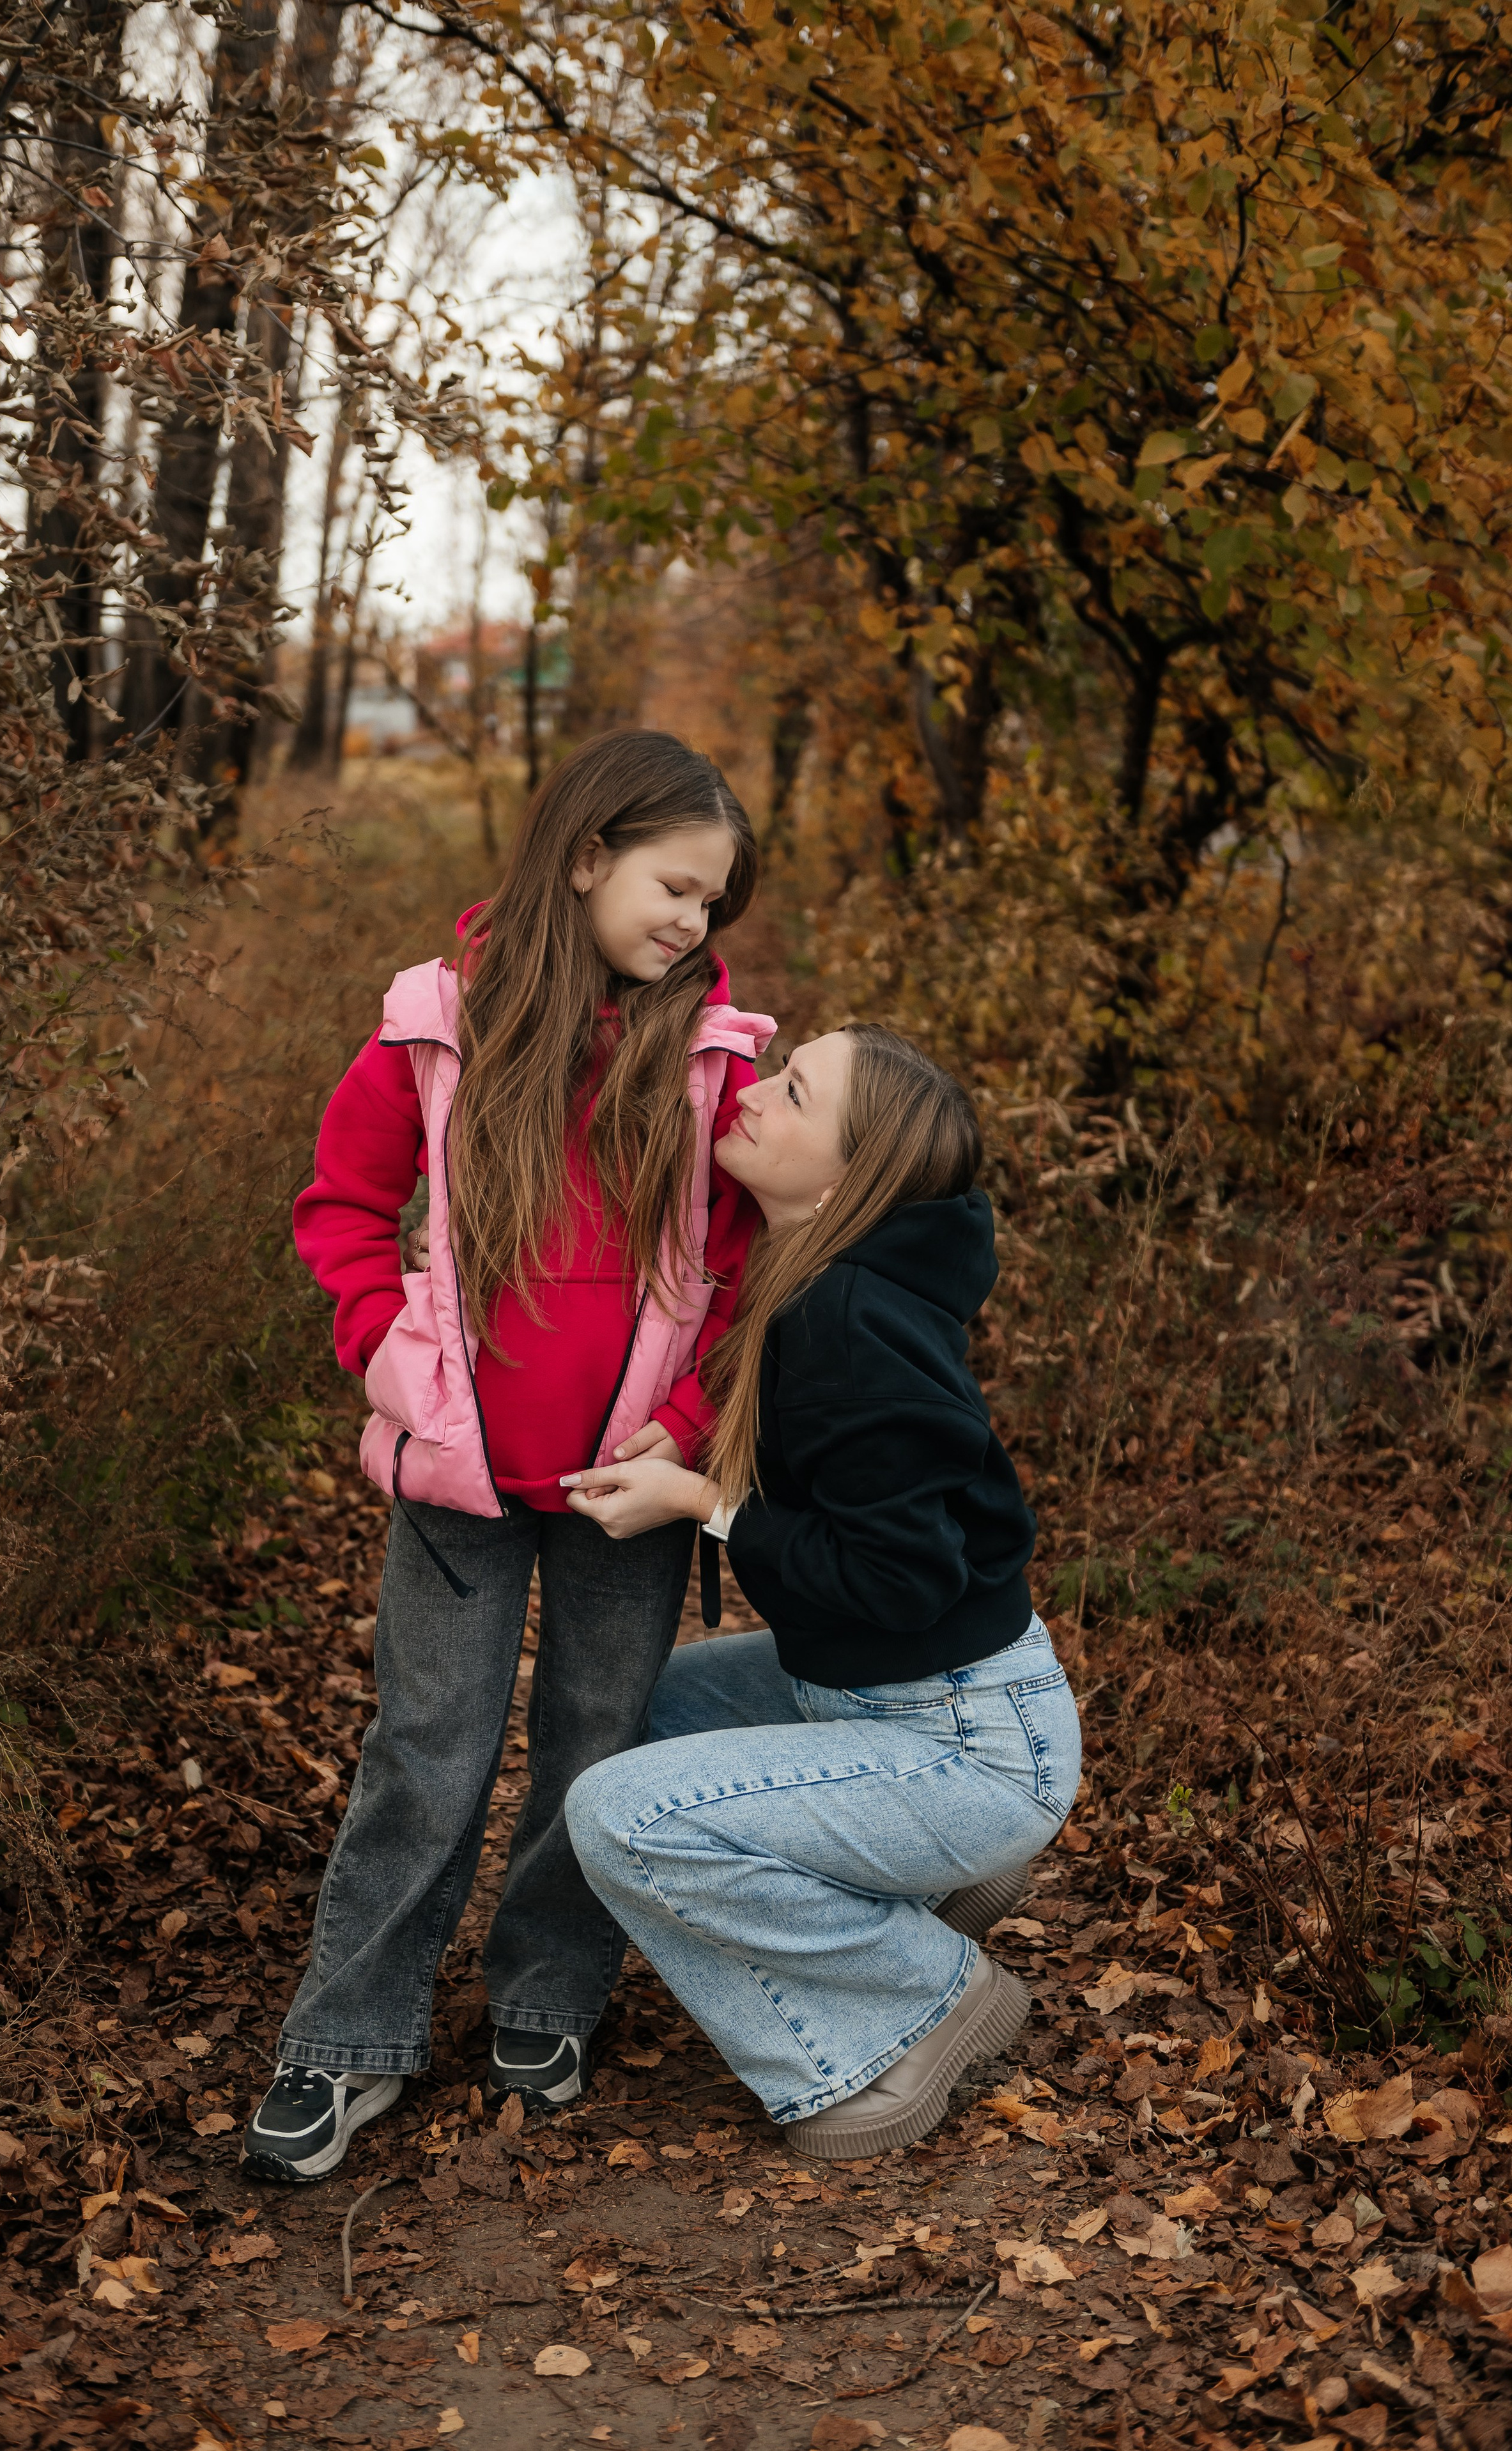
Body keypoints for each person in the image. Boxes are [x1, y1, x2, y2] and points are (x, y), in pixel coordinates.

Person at [241, 731, 774, 2183]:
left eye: (712, 907)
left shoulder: (717, 1060)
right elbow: (342, 1203)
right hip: (457, 1479)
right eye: (674, 886)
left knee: (594, 1748)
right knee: (425, 1752)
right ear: (588, 852)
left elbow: (741, 1275)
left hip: (629, 1495)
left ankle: (545, 1995)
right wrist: (386, 1357)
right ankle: (347, 2037)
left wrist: (682, 1426)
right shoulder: (435, 1023)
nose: (691, 924)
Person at [559, 1024, 1079, 2161]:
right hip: (889, 1698)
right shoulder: (819, 1278)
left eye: (794, 1095)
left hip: (964, 1738)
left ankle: (918, 2004)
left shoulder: (852, 1319)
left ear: (849, 1179)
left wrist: (701, 1501)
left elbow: (903, 1576)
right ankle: (923, 1883)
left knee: (621, 1816)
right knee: (634, 1711)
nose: (753, 1095)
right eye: (777, 1070)